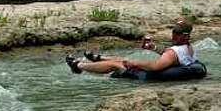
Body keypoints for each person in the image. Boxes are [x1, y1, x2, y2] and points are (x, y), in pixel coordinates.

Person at [66, 18, 198, 77]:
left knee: (115, 64)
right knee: (124, 60)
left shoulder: (172, 53)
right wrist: (153, 47)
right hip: (170, 69)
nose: (174, 34)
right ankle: (98, 58)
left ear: (185, 36)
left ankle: (78, 66)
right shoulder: (188, 47)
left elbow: (155, 67)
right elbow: (169, 54)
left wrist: (135, 63)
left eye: (177, 33)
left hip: (147, 76)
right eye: (174, 31)